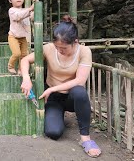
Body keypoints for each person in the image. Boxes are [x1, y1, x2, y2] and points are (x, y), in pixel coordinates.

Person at [20, 15, 102, 158]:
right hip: (53, 98)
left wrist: (51, 88)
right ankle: (58, 116)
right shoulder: (49, 48)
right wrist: (26, 78)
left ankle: (86, 138)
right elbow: (25, 60)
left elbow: (80, 80)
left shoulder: (84, 51)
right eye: (57, 46)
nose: (59, 50)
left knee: (80, 92)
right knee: (53, 132)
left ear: (75, 42)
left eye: (63, 48)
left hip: (71, 96)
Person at [7, 0, 38, 75]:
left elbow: (32, 17)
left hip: (23, 37)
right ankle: (11, 66)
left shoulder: (25, 10)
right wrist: (30, 9)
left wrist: (36, 5)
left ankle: (21, 69)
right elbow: (18, 16)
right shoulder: (11, 11)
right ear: (10, 0)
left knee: (24, 55)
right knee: (17, 53)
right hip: (13, 36)